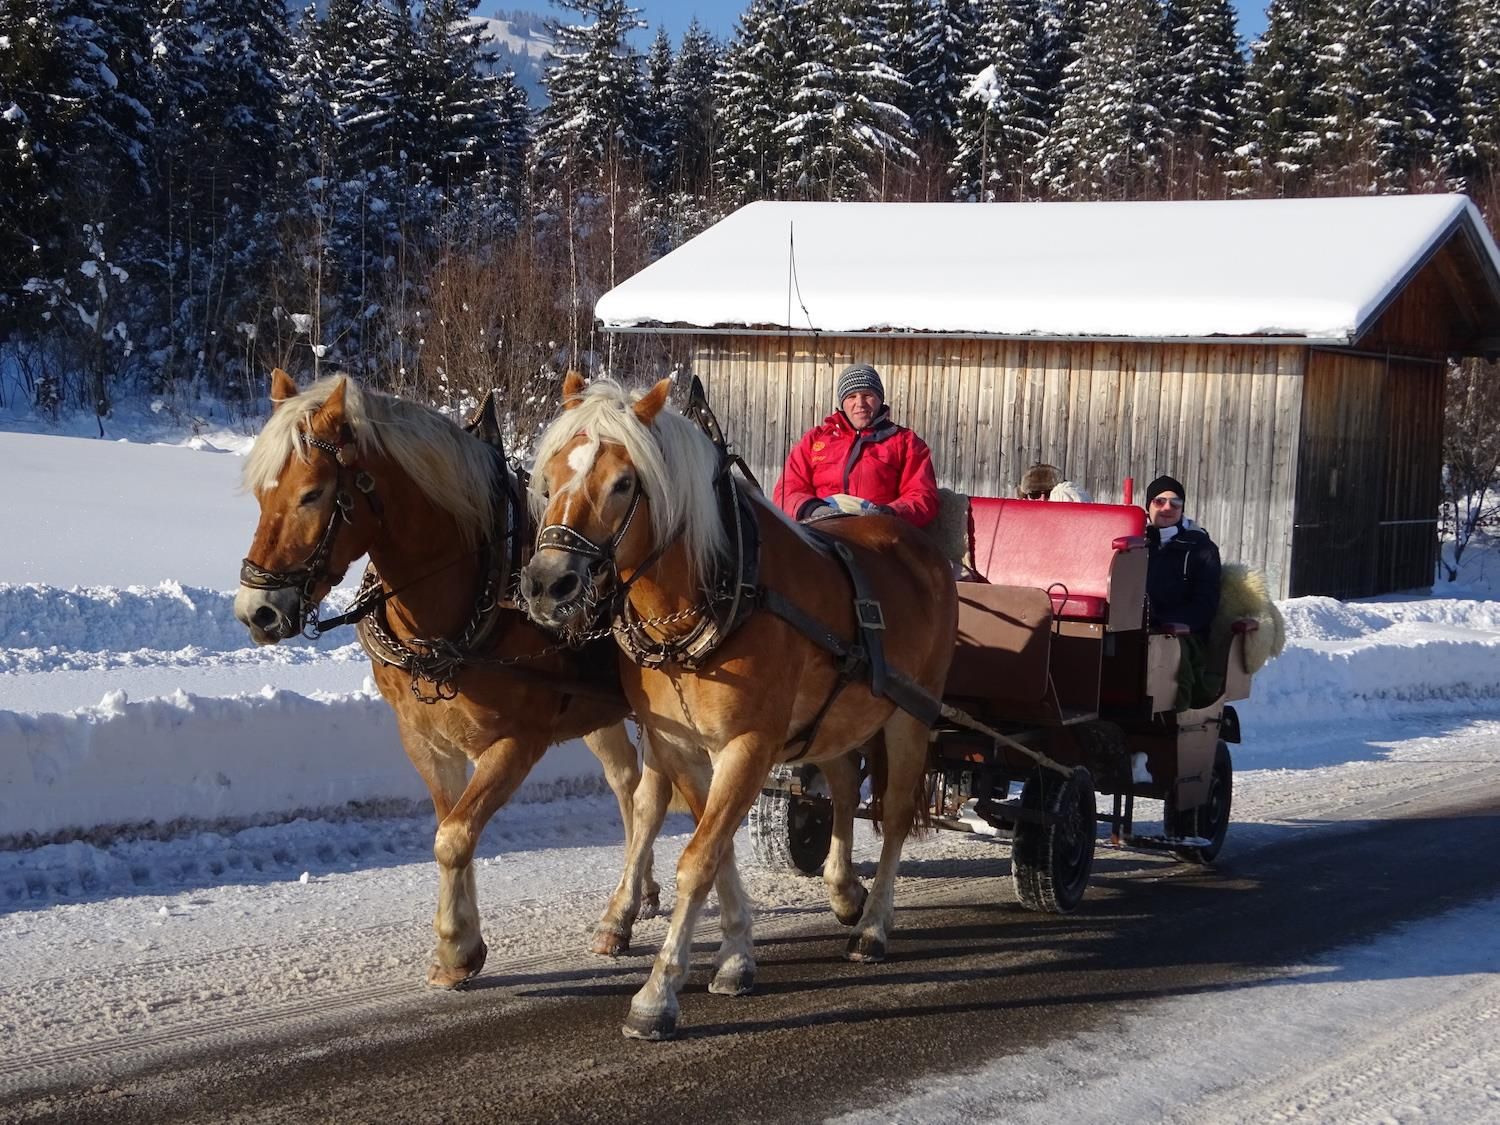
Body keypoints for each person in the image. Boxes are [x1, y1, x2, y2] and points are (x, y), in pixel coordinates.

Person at [774, 363, 940, 528]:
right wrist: (813, 509)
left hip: (878, 531)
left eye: (867, 395)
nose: (860, 403)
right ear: (842, 402)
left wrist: (888, 513)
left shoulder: (906, 442)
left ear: (879, 399)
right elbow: (787, 490)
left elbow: (922, 495)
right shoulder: (814, 440)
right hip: (819, 528)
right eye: (851, 396)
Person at [1143, 474, 1222, 709]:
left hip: (1182, 633)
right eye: (1159, 501)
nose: (1167, 507)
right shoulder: (1136, 542)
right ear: (1148, 505)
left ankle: (1169, 715)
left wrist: (1164, 622)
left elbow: (1204, 605)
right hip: (1134, 626)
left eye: (1175, 503)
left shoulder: (1201, 548)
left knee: (1163, 651)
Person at [1017, 462, 1091, 503]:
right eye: (1035, 495)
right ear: (1026, 497)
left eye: (1048, 493)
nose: (1043, 499)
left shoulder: (1061, 495)